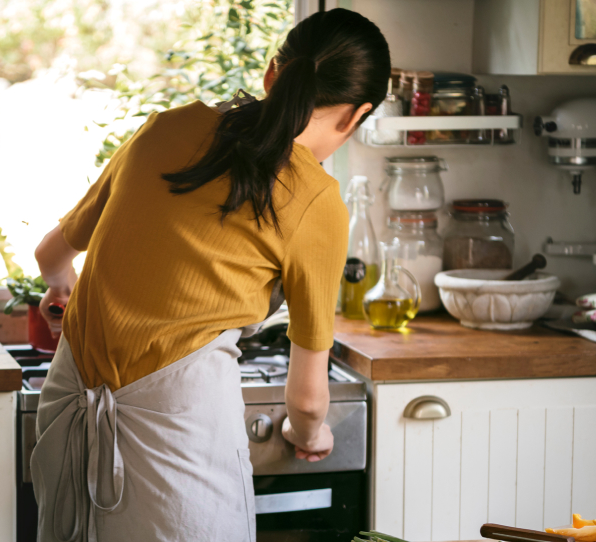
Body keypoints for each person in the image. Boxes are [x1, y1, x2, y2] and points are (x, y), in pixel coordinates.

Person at [30, 8, 390, 541]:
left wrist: (63, 287)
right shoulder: (316, 200)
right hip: (178, 436)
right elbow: (309, 397)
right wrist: (307, 433)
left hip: (70, 401)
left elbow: (50, 255)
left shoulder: (168, 127)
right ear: (355, 115)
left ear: (273, 73)